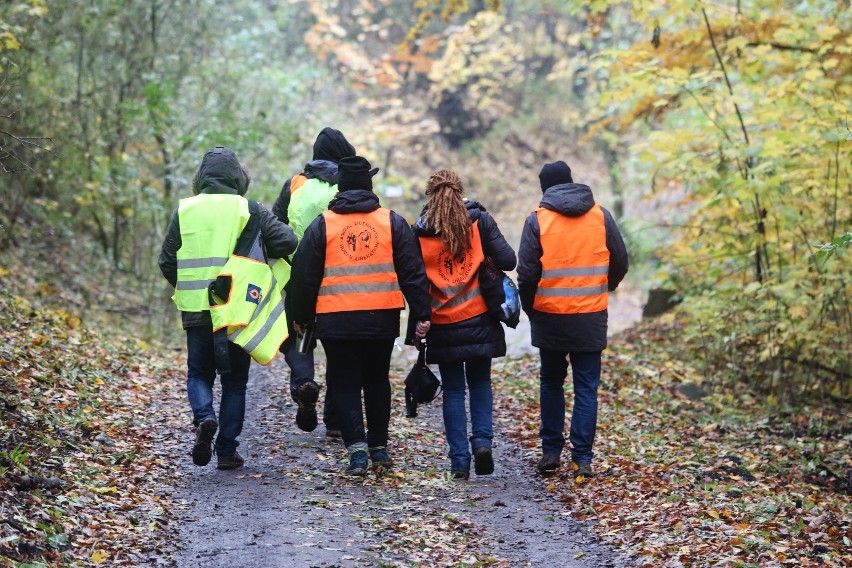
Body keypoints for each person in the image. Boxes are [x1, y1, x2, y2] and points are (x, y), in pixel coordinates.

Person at [288, 155, 432, 476]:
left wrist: (301, 316)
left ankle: (356, 451)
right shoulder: (391, 222)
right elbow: (413, 272)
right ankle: (379, 448)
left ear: (340, 187)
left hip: (336, 320)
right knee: (377, 380)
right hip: (381, 318)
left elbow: (303, 275)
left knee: (344, 381)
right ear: (369, 185)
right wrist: (422, 313)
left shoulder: (324, 224)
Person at [159, 147, 297, 470]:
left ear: (201, 177)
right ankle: (226, 451)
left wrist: (189, 286)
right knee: (234, 382)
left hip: (196, 311)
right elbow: (287, 242)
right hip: (237, 312)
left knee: (198, 373)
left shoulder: (185, 210)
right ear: (238, 177)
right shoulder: (249, 209)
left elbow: (166, 260)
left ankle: (204, 416)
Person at [517, 160, 628, 478]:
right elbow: (620, 260)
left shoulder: (538, 220)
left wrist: (532, 309)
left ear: (545, 189)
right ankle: (582, 458)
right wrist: (604, 288)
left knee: (551, 383)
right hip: (590, 315)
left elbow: (526, 274)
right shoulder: (600, 216)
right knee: (586, 388)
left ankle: (551, 452)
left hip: (550, 315)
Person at [406, 170, 516, 480]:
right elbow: (508, 259)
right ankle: (482, 443)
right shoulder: (479, 220)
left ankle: (458, 462)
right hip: (480, 316)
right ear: (460, 189)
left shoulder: (420, 230)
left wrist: (419, 322)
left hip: (443, 321)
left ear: (431, 193)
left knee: (454, 390)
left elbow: (415, 280)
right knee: (480, 382)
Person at [272, 127, 356, 436]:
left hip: (298, 279)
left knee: (299, 339)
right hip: (340, 281)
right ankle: (335, 423)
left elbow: (275, 227)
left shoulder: (296, 184)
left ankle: (304, 383)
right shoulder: (350, 184)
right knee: (338, 350)